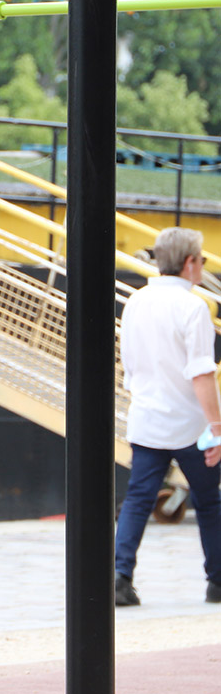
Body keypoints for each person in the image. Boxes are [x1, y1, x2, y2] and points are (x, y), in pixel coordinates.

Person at [114, 226, 221, 606]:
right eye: (203, 259)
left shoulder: (136, 302)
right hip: (190, 423)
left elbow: (129, 362)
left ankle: (120, 575)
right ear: (190, 263)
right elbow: (201, 372)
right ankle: (217, 581)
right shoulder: (194, 308)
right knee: (209, 502)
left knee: (138, 498)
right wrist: (217, 426)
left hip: (147, 418)